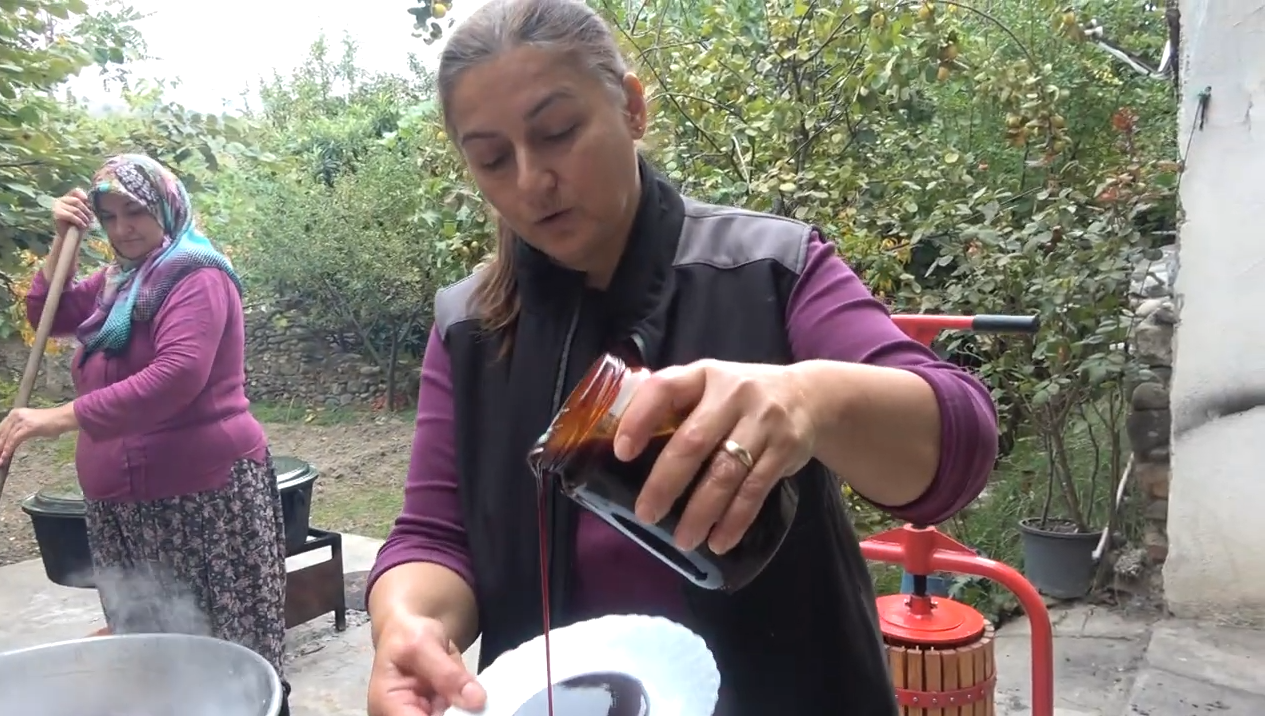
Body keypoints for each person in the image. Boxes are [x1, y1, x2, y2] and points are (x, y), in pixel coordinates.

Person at [364, 1, 999, 714]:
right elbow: (433, 536)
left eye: (559, 131)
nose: (531, 180)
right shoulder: (469, 326)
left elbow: (960, 442)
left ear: (632, 108)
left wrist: (809, 401)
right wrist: (407, 624)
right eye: (491, 158)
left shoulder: (767, 266)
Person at [0, 154, 292, 715]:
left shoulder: (195, 274)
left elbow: (176, 376)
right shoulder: (119, 280)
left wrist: (60, 417)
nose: (122, 228)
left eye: (134, 212)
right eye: (108, 217)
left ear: (165, 206)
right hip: (123, 505)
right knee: (147, 660)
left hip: (201, 502)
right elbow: (49, 318)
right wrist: (63, 241)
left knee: (223, 655)